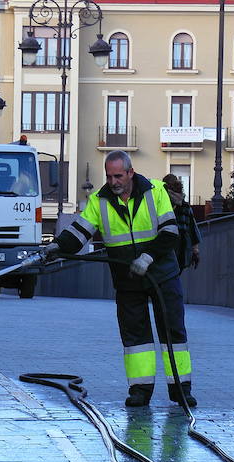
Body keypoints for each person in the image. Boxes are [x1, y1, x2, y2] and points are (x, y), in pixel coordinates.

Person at [42, 150, 196, 408]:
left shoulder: (156, 192)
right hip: (128, 279)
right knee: (136, 338)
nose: (113, 182)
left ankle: (180, 390)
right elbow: (80, 232)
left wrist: (148, 257)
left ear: (130, 173)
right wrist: (56, 247)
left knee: (173, 333)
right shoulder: (99, 201)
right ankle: (140, 391)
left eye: (118, 176)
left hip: (162, 275)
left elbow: (170, 233)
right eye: (109, 176)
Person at [162, 173, 201, 271]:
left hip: (166, 245)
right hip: (183, 247)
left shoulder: (162, 202)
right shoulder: (185, 205)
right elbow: (192, 228)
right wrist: (195, 251)